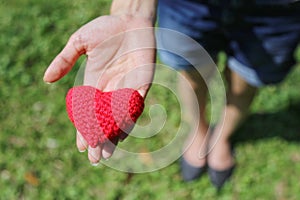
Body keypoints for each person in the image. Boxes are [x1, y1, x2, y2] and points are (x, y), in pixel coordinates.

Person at [43, 0, 300, 189]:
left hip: (277, 12)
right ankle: (198, 131)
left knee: (246, 79)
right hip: (188, 5)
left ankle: (221, 137)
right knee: (191, 72)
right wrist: (132, 11)